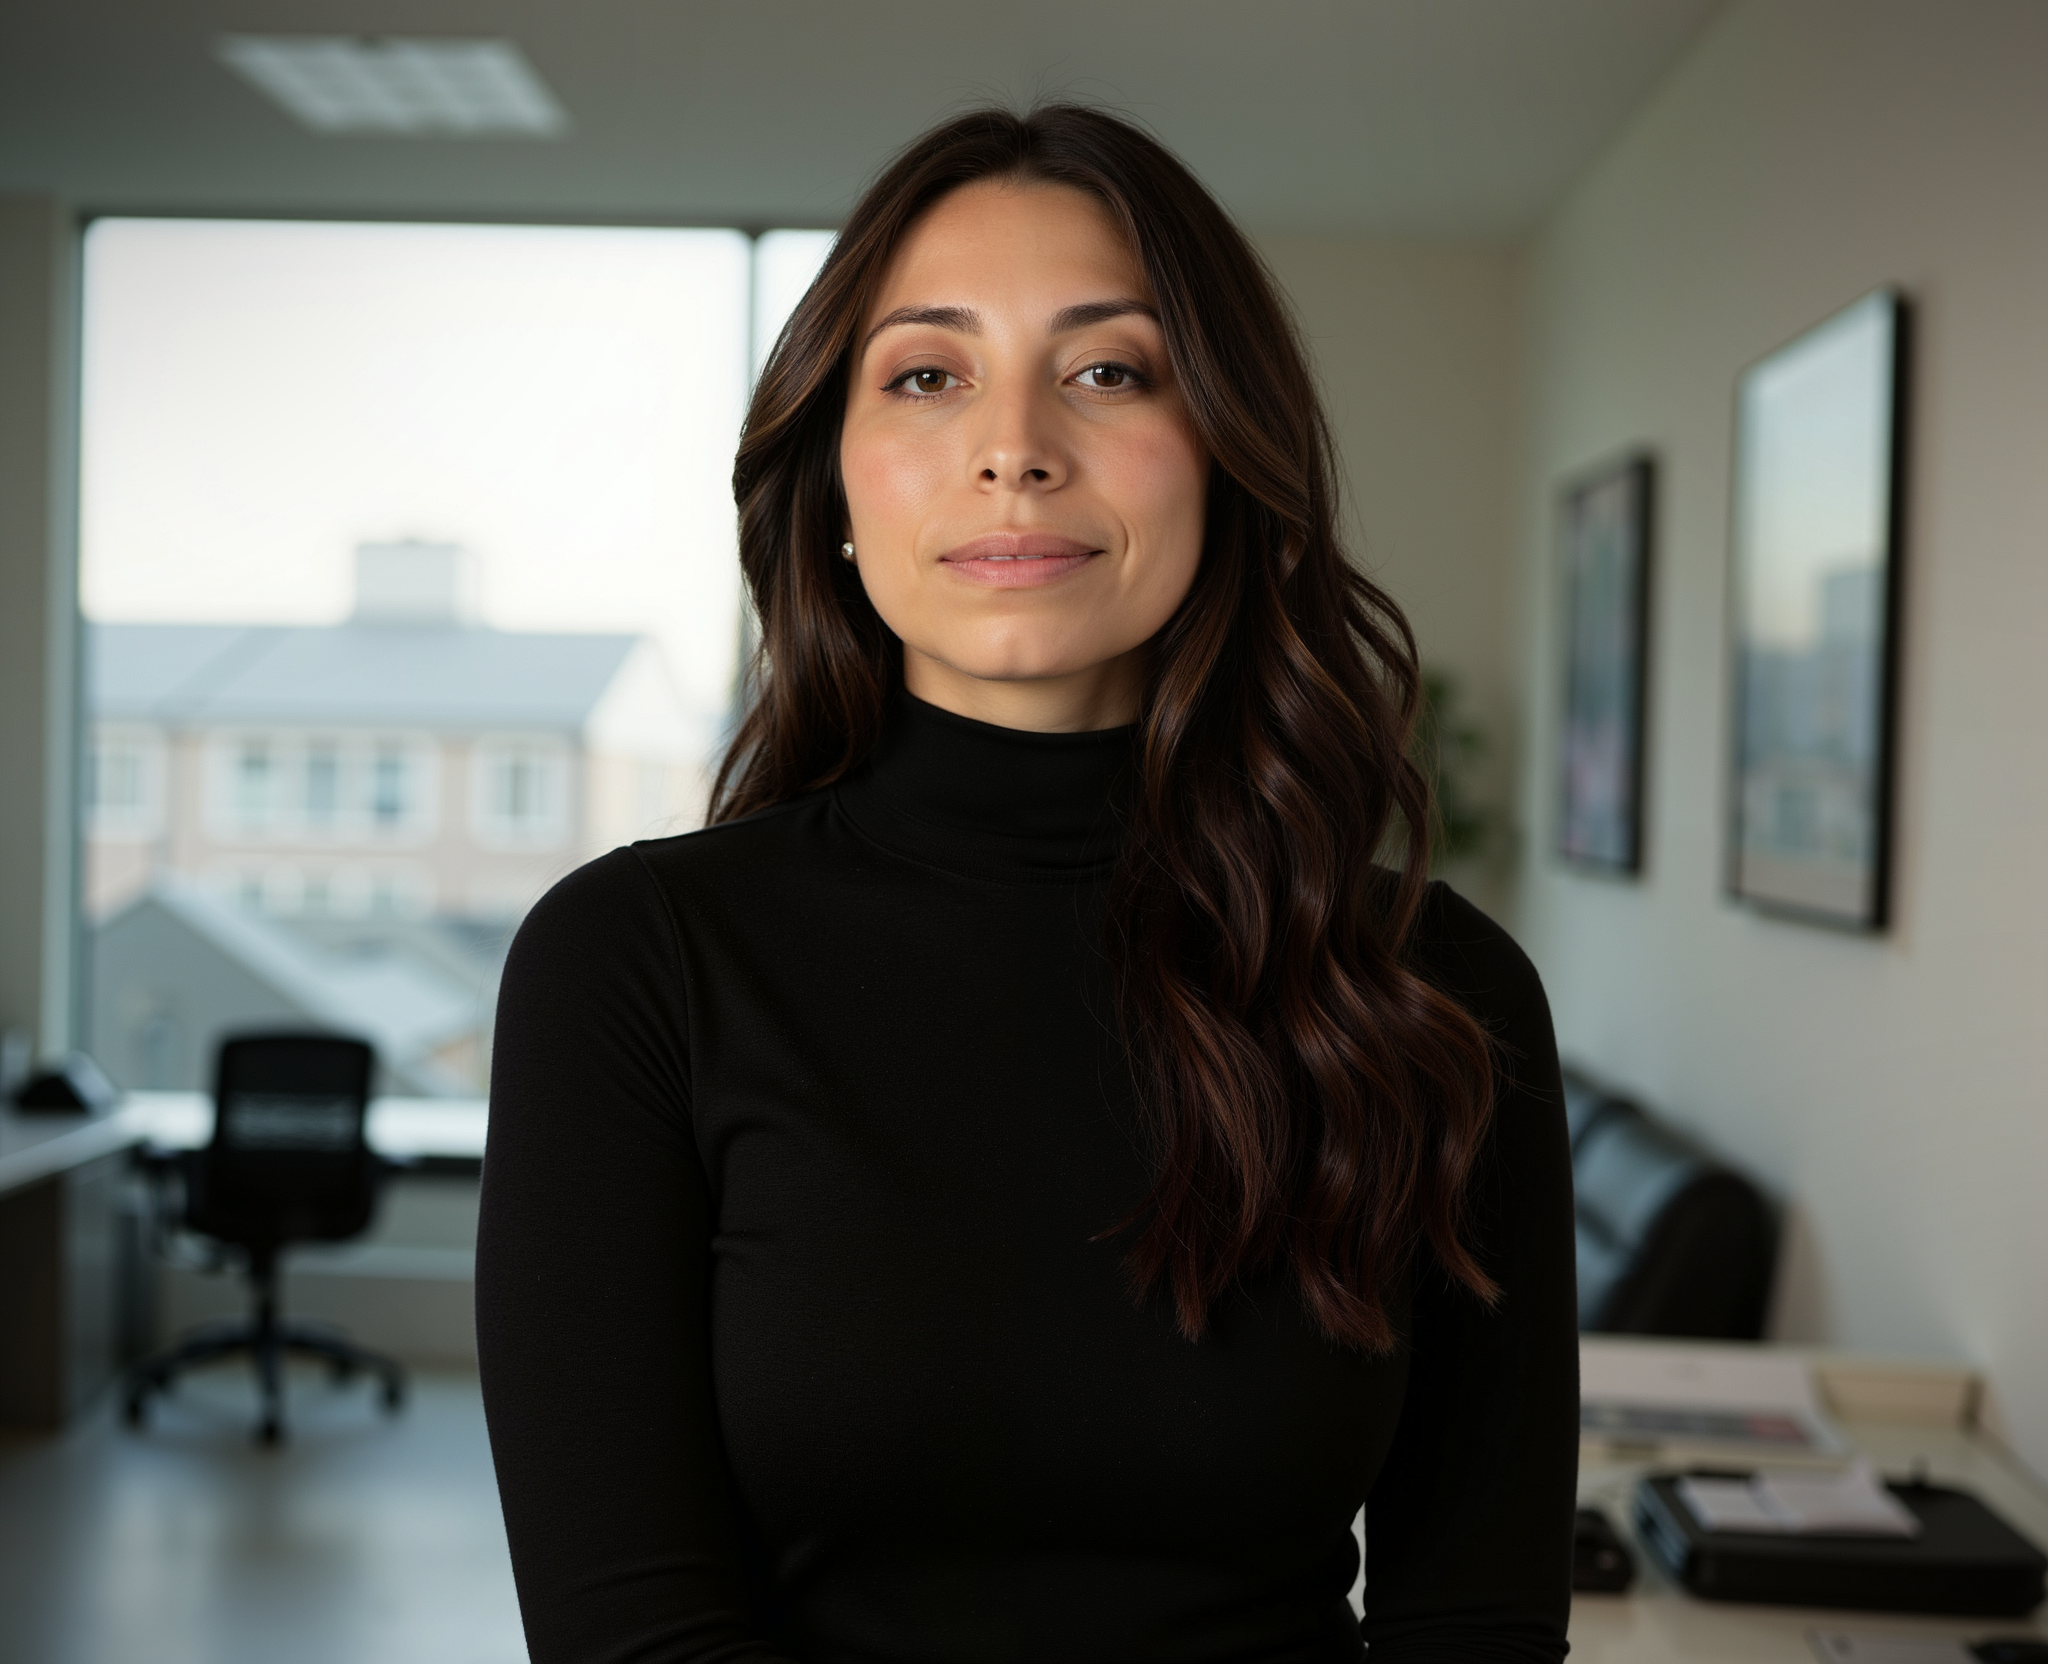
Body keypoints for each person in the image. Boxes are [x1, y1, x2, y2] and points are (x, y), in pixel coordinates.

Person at [476, 104, 1577, 1664]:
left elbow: (1476, 1622)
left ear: (1224, 455)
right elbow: (631, 1637)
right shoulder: (635, 968)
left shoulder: (1431, 993)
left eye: (1108, 369)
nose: (1014, 447)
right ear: (838, 483)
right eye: (928, 375)